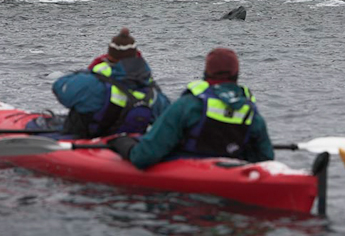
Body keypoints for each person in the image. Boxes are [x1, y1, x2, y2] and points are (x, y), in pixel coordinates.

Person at [108, 48, 274, 169]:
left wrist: (122, 143)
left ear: (206, 73)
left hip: (187, 174)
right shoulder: (250, 111)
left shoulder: (188, 105)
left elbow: (143, 157)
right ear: (236, 74)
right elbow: (265, 158)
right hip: (229, 174)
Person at [51, 28, 170, 138]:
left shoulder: (92, 82)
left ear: (110, 56)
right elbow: (167, 116)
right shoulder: (151, 88)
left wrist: (90, 70)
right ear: (136, 56)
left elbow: (60, 87)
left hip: (89, 141)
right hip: (130, 144)